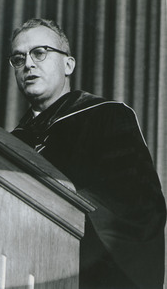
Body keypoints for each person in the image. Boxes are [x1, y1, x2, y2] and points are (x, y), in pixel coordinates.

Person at [9, 18, 166, 288]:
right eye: (19, 58)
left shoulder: (108, 117)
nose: (29, 64)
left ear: (68, 64)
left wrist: (60, 206)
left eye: (40, 52)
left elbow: (141, 206)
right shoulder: (11, 142)